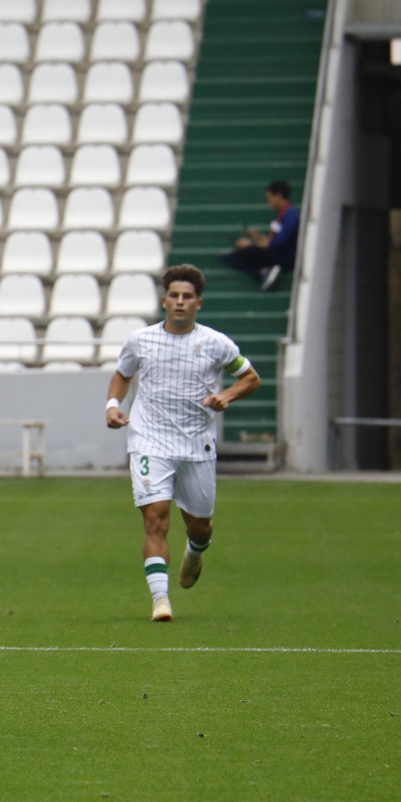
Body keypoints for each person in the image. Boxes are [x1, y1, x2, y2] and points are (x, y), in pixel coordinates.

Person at [105, 265, 262, 622]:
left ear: (198, 303)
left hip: (196, 445)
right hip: (149, 441)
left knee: (200, 526)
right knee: (156, 521)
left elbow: (251, 378)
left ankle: (196, 551)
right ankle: (161, 600)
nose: (179, 302)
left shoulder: (217, 343)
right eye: (173, 296)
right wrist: (112, 405)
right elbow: (122, 374)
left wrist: (227, 396)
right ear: (164, 300)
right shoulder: (140, 340)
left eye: (187, 297)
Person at [219, 179, 299, 292]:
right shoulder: (283, 215)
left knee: (243, 252)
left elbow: (278, 243)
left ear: (279, 196)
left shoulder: (291, 215)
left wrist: (250, 243)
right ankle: (263, 271)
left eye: (270, 198)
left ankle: (263, 272)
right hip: (278, 253)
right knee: (230, 256)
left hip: (284, 258)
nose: (268, 202)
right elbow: (274, 240)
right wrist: (258, 237)